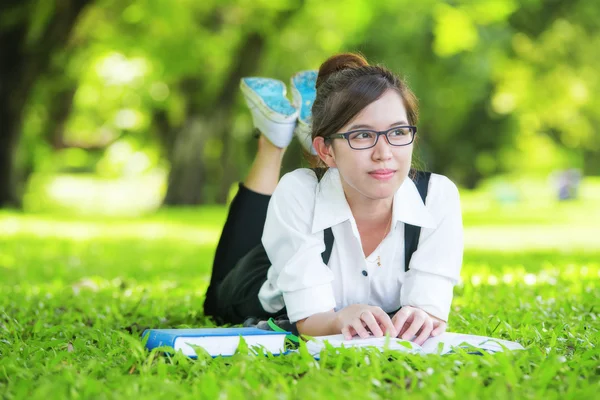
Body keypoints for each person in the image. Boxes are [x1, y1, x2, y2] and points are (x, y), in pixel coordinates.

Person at [203, 53, 463, 345]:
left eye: (398, 132)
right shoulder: (297, 192)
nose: (384, 153)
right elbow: (309, 321)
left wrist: (425, 314)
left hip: (320, 208)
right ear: (326, 151)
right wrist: (339, 319)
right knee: (215, 301)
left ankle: (322, 127)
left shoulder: (437, 197)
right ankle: (274, 141)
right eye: (363, 135)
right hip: (270, 276)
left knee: (331, 185)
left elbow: (432, 307)